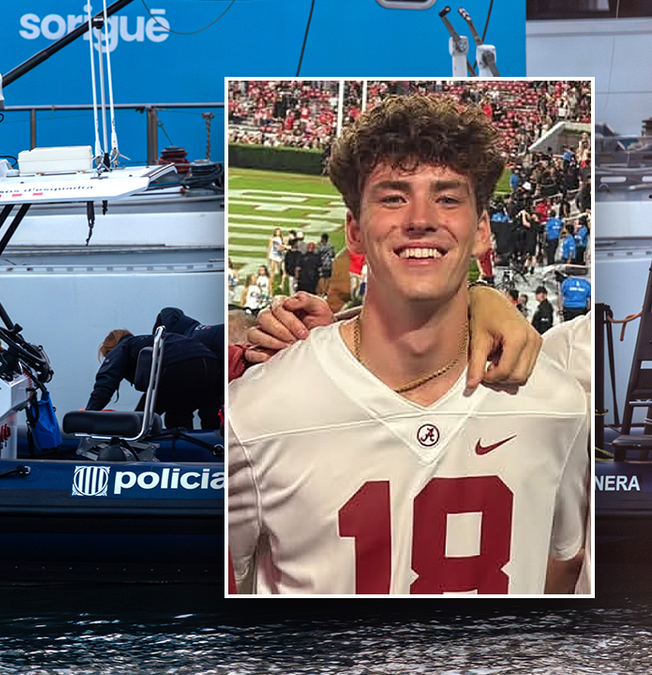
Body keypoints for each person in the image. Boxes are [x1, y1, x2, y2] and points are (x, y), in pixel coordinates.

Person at [227, 95, 588, 595]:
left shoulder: (558, 404)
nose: (421, 217)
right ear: (354, 230)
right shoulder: (257, 411)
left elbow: (562, 565)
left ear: (482, 229)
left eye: (447, 198)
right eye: (393, 197)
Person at [86, 328, 221, 430]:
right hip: (212, 365)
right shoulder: (150, 341)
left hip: (179, 367)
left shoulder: (123, 346)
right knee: (181, 414)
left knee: (139, 421)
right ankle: (209, 450)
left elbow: (106, 381)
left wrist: (87, 415)